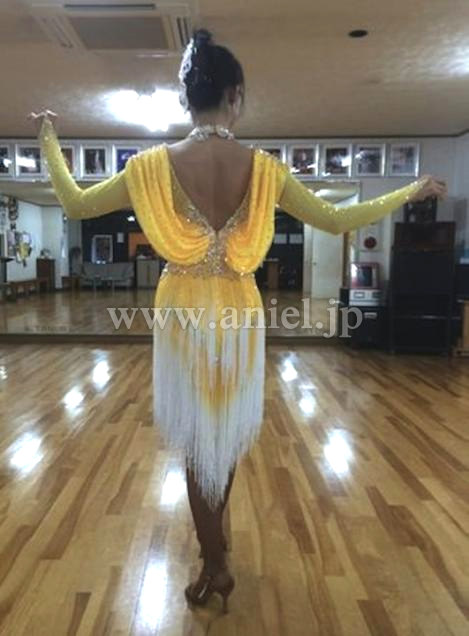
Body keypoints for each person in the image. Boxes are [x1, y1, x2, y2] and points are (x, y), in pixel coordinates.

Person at [28, 28, 447, 614]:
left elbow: (74, 203)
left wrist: (48, 138)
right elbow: (335, 219)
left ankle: (216, 561)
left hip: (183, 312)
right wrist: (408, 192)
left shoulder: (151, 167)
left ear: (185, 99)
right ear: (236, 96)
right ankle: (215, 551)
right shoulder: (266, 170)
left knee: (198, 441)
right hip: (238, 314)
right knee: (220, 437)